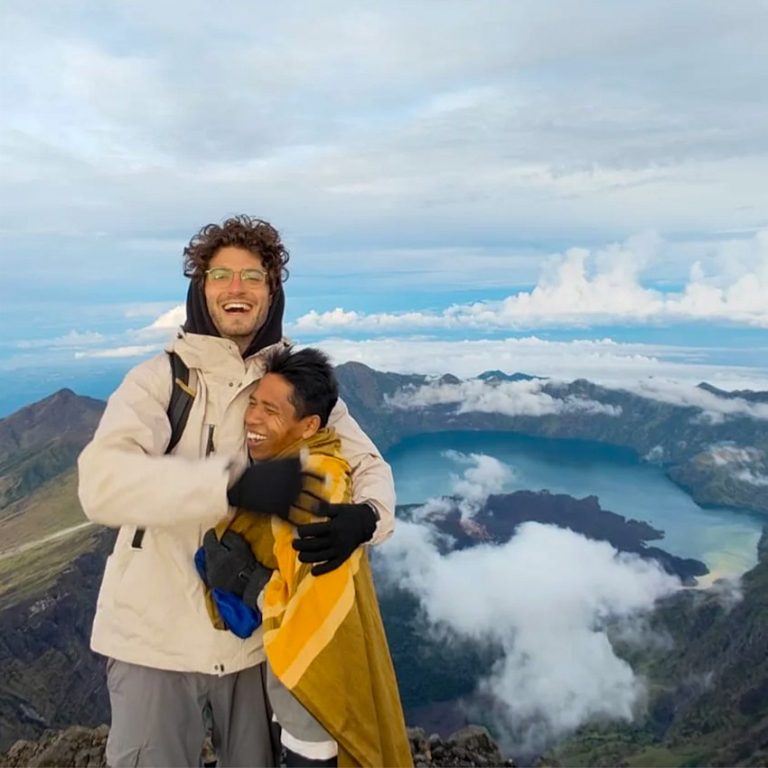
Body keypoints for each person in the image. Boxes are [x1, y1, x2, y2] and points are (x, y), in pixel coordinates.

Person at [77, 216, 395, 768]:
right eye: (220, 274)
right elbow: (101, 483)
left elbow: (366, 463)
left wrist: (365, 518)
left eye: (253, 276)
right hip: (153, 638)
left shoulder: (293, 381)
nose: (236, 288)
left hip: (253, 644)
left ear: (273, 293)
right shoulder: (161, 380)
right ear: (200, 290)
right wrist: (235, 485)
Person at [198, 346, 412, 767]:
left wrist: (247, 582)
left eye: (270, 411)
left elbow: (314, 606)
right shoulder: (290, 455)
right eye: (252, 404)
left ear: (310, 425)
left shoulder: (317, 482)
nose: (253, 418)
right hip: (287, 688)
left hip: (314, 698)